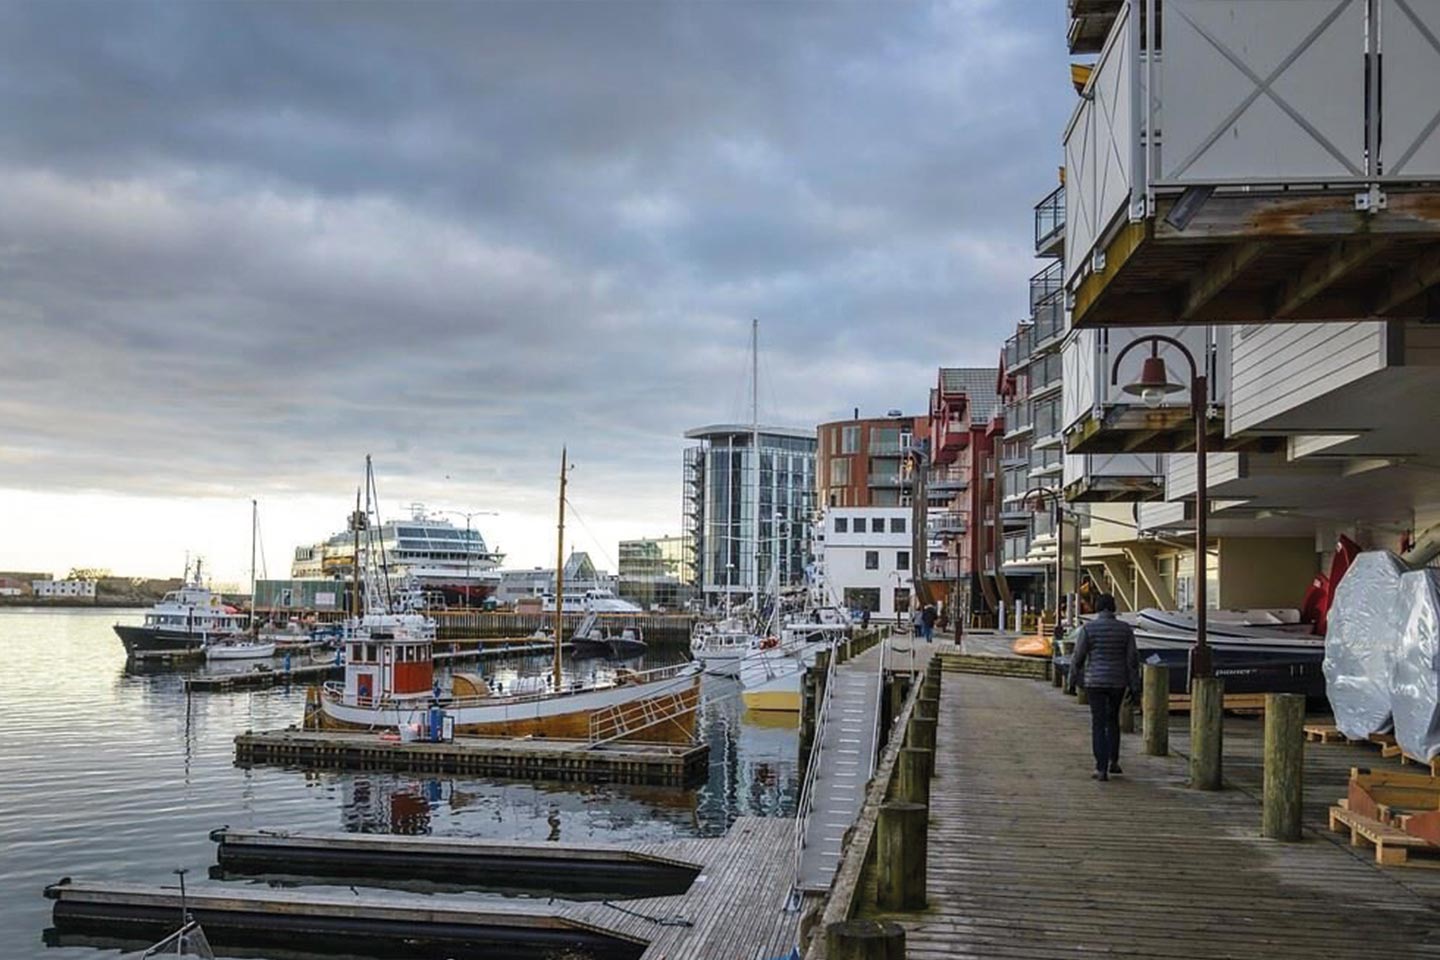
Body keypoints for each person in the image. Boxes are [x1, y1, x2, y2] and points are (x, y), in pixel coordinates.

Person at [1069, 593, 1140, 781]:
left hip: (1095, 682)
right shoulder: (1125, 630)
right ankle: (1113, 761)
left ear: (1097, 608)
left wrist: (1072, 679)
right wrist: (1135, 686)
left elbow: (1078, 657)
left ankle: (1100, 768)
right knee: (1112, 720)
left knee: (1098, 723)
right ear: (1114, 608)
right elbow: (1132, 660)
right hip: (1118, 681)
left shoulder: (1088, 629)